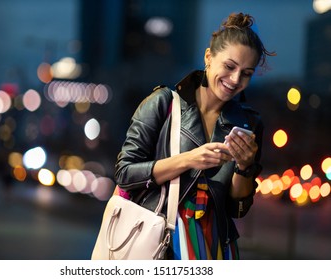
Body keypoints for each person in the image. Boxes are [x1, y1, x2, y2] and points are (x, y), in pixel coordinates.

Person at [114, 12, 276, 260]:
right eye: (230, 67)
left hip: (215, 245)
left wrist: (245, 166)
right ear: (209, 57)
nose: (235, 80)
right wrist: (189, 159)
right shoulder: (162, 103)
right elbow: (125, 173)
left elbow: (237, 209)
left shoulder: (249, 124)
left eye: (246, 73)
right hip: (160, 239)